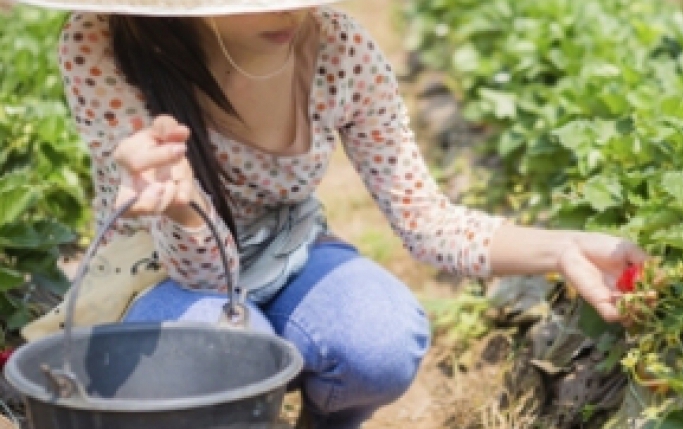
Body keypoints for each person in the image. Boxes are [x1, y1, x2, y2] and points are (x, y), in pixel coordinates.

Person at [12, 0, 646, 427]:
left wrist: (561, 248)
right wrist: (179, 209)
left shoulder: (338, 48)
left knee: (381, 341)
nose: (291, 10)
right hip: (159, 267)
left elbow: (424, 217)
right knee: (229, 365)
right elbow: (203, 274)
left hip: (286, 246)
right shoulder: (105, 42)